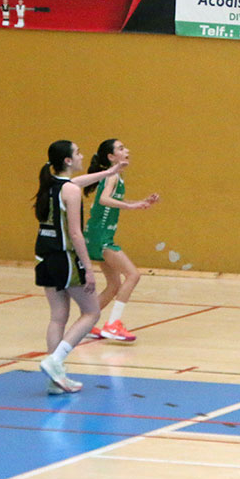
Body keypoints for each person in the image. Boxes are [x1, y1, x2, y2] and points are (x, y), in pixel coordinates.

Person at [33, 140, 126, 395]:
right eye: (78, 153)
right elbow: (75, 233)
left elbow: (78, 182)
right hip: (65, 258)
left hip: (44, 257)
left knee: (58, 317)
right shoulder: (71, 192)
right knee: (91, 312)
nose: (82, 156)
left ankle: (55, 379)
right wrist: (87, 268)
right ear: (68, 160)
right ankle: (55, 361)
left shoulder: (52, 184)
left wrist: (108, 172)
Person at [84, 139, 160, 342]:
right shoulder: (111, 176)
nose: (127, 150)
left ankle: (85, 324)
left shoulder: (116, 176)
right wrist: (130, 207)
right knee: (133, 275)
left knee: (113, 284)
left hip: (97, 234)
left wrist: (140, 203)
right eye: (120, 148)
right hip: (101, 236)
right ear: (111, 157)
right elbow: (103, 199)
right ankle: (113, 325)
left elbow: (112, 202)